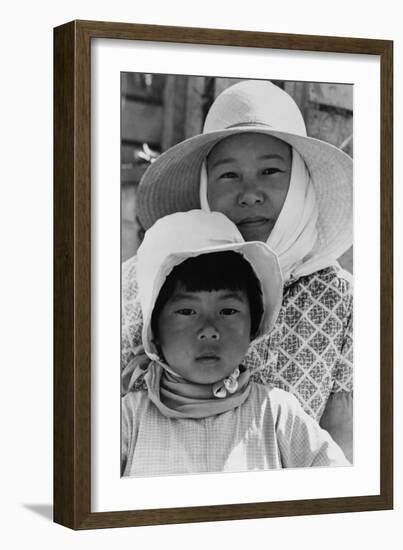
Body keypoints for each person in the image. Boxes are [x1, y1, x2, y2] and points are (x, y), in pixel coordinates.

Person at [122, 80, 353, 461]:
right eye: (228, 175)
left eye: (271, 172)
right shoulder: (144, 279)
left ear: (301, 182)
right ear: (203, 186)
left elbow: (344, 446)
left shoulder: (340, 297)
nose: (249, 193)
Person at [121, 210, 350, 477]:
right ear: (154, 329)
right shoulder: (127, 420)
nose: (209, 330)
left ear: (253, 326)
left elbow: (339, 488)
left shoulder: (276, 414)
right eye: (186, 311)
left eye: (228, 311)